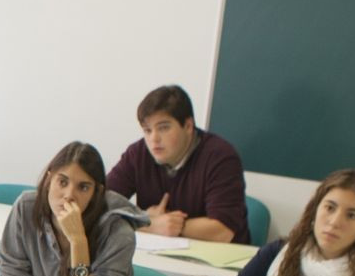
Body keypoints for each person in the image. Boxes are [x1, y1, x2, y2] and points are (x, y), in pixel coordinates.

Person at [0, 140, 145, 276]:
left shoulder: (118, 232)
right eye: (62, 182)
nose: (69, 195)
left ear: (96, 192)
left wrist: (78, 241)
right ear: (50, 180)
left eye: (83, 187)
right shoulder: (26, 208)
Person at [104, 83, 250, 244]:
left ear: (188, 126)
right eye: (147, 130)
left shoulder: (221, 157)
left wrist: (164, 224)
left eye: (163, 128)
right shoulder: (138, 154)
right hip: (158, 255)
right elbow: (98, 206)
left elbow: (222, 231)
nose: (154, 139)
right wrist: (147, 222)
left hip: (220, 263)